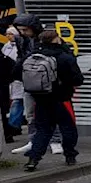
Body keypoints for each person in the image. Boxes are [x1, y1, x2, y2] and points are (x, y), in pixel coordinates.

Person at [23, 29, 82, 171]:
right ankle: (70, 155)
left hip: (41, 99)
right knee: (68, 128)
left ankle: (33, 159)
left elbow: (17, 72)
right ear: (57, 39)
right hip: (62, 99)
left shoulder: (32, 56)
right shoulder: (64, 56)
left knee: (42, 130)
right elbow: (78, 79)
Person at [9, 14, 62, 156]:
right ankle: (33, 140)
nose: (23, 33)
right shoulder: (22, 40)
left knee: (50, 111)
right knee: (30, 113)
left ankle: (55, 140)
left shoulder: (44, 38)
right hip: (29, 79)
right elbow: (21, 57)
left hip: (46, 80)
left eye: (25, 30)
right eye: (21, 30)